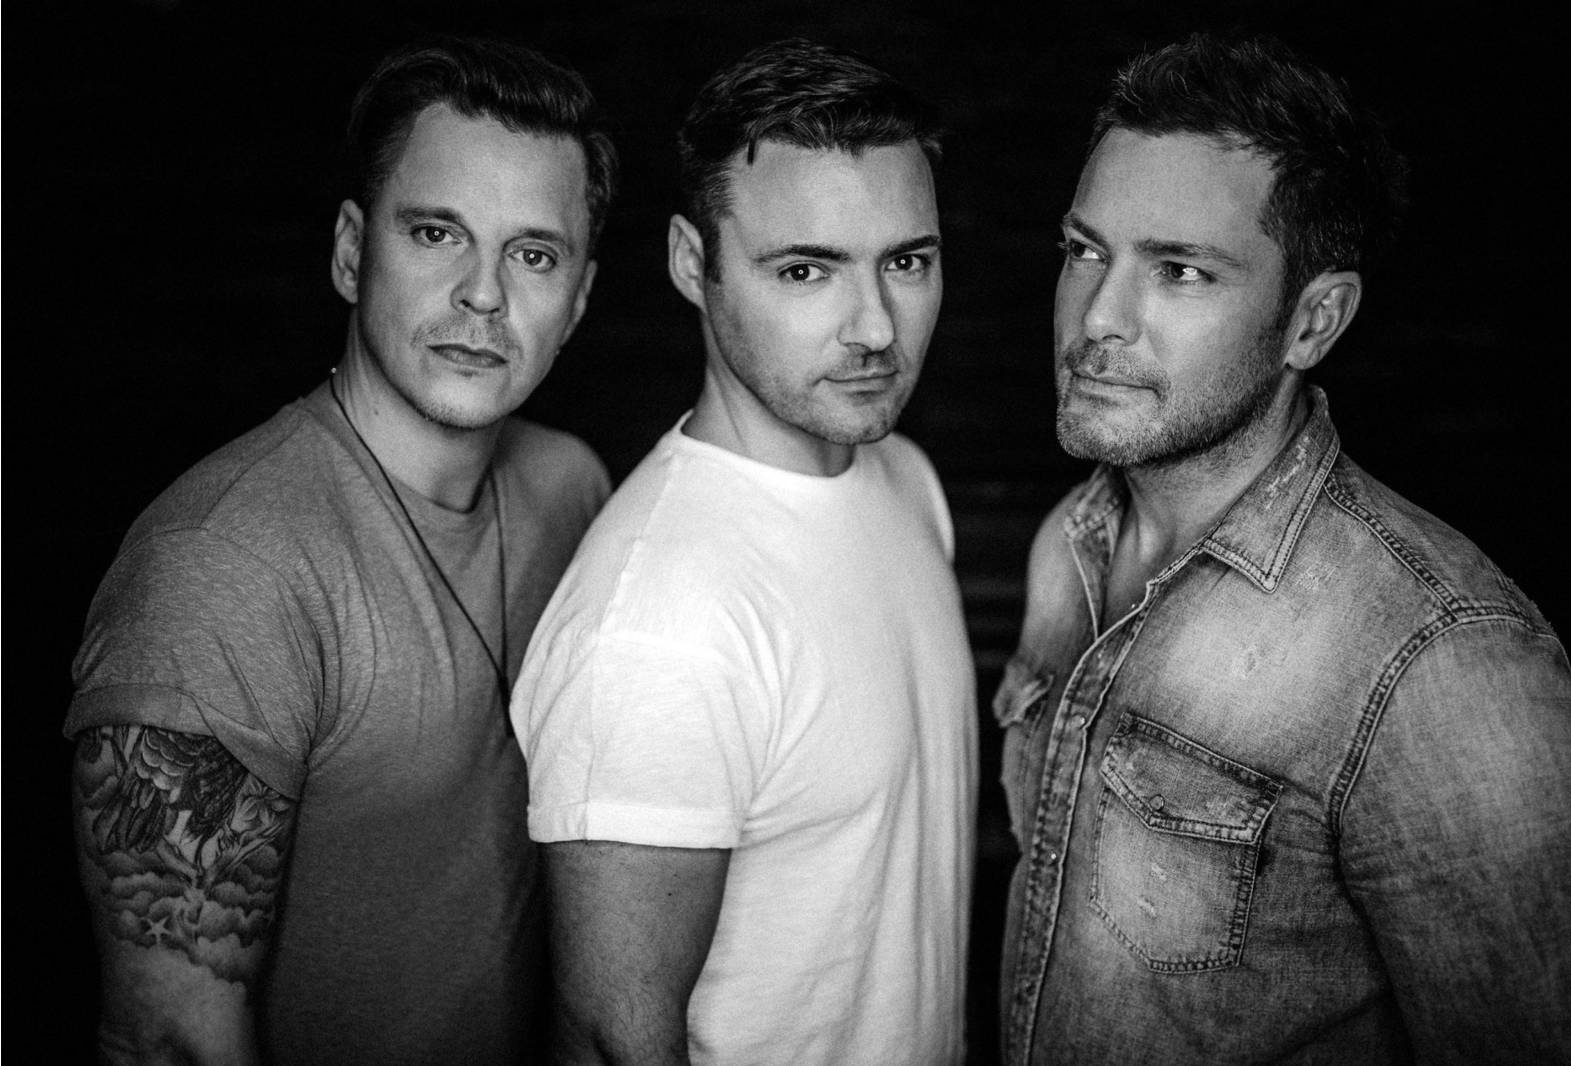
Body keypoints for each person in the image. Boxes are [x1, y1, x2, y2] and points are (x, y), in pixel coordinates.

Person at [995, 32, 1571, 1065]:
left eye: (1179, 271)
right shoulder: (1071, 541)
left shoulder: (1446, 668)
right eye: (1085, 250)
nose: (1097, 318)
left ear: (1313, 322)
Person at [66, 37, 616, 1066]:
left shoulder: (572, 488)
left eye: (533, 255)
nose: (484, 294)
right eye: (437, 233)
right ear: (353, 253)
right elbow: (168, 1040)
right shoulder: (221, 571)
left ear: (579, 299)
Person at [509, 37, 976, 1066]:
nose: (875, 327)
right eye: (805, 270)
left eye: (907, 262)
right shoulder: (660, 628)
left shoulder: (904, 479)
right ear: (693, 263)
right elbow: (611, 1040)